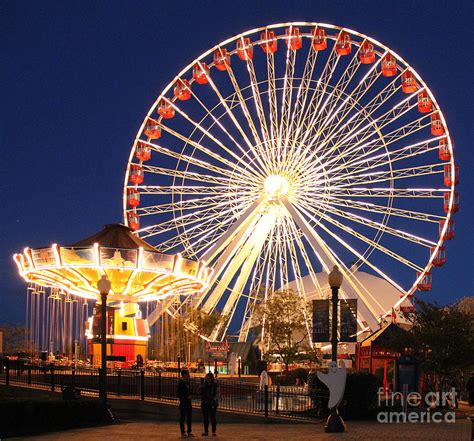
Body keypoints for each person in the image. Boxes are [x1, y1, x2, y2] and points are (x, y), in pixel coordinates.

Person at [200, 372, 218, 437]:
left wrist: (214, 400)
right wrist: (202, 386)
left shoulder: (214, 384)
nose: (208, 379)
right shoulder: (204, 385)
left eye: (209, 378)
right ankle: (206, 431)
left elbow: (216, 394)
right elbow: (201, 393)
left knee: (213, 418)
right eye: (207, 378)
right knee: (206, 418)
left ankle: (214, 431)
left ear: (211, 378)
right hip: (205, 403)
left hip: (212, 403)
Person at [177, 369, 194, 437]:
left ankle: (189, 431)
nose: (189, 376)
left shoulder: (187, 382)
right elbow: (179, 393)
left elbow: (189, 392)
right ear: (184, 375)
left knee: (189, 417)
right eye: (188, 374)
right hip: (184, 403)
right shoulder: (181, 383)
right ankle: (183, 432)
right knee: (182, 418)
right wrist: (187, 397)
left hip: (188, 403)